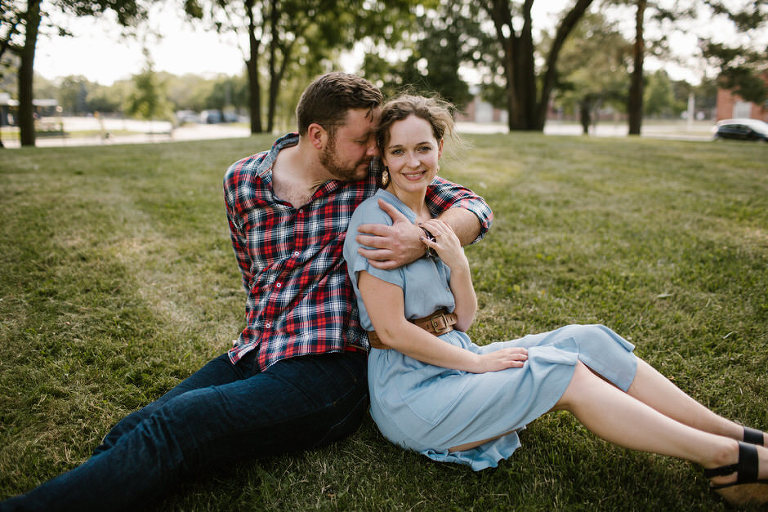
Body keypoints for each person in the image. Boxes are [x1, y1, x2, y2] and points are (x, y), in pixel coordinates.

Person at [0, 74, 492, 511]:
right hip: (257, 348)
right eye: (364, 139)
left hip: (331, 367)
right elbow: (252, 275)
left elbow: (474, 207)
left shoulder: (371, 176)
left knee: (183, 423)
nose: (373, 150)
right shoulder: (242, 182)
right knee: (141, 423)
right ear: (317, 135)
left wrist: (420, 236)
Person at [343, 94, 768, 507]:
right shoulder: (374, 221)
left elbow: (464, 320)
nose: (412, 162)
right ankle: (724, 459)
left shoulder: (430, 219)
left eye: (422, 148)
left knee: (589, 340)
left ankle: (736, 434)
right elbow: (392, 331)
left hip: (454, 357)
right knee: (562, 371)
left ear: (439, 147)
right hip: (412, 393)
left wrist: (458, 263)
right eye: (398, 151)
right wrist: (476, 363)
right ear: (383, 154)